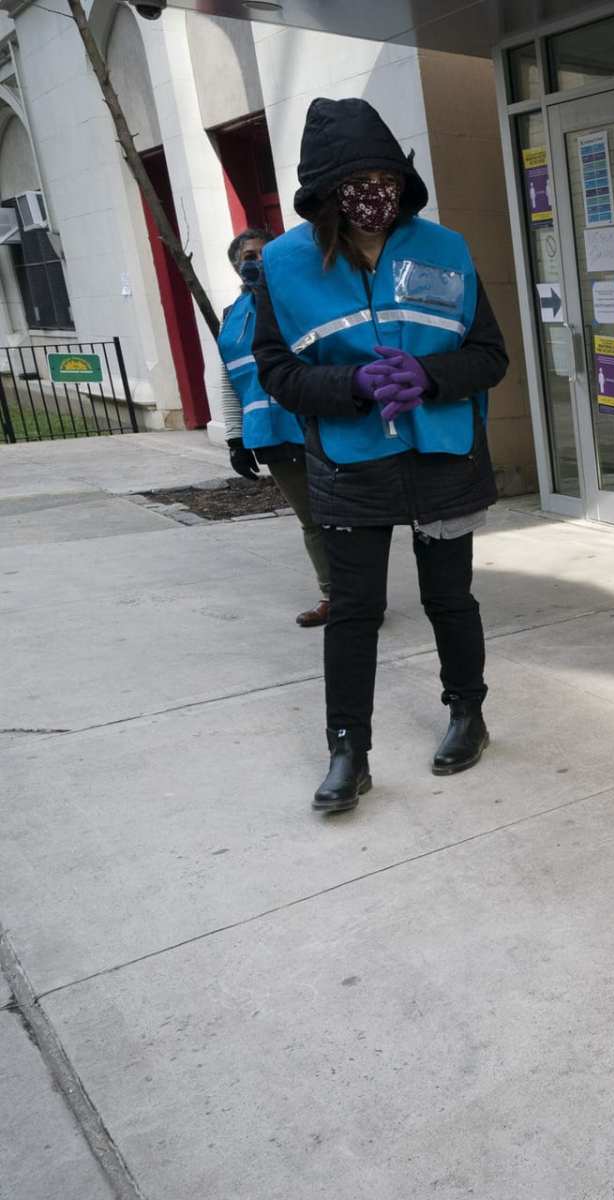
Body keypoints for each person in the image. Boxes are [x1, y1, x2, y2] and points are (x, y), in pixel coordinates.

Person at [252, 97, 509, 816]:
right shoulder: (283, 265)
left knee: (449, 600)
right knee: (355, 610)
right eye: (359, 182)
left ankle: (468, 714)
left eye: (387, 178)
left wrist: (429, 376)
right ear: (326, 193)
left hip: (444, 456)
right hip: (349, 461)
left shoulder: (445, 249)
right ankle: (348, 751)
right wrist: (352, 384)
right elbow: (277, 371)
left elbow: (490, 355)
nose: (376, 194)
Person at [214, 228, 331, 626]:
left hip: (318, 421)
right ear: (236, 264)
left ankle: (362, 596)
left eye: (265, 254)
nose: (257, 261)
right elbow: (229, 378)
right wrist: (235, 438)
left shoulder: (301, 299)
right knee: (312, 519)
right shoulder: (231, 317)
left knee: (347, 514)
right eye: (249, 255)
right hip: (271, 433)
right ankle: (335, 596)